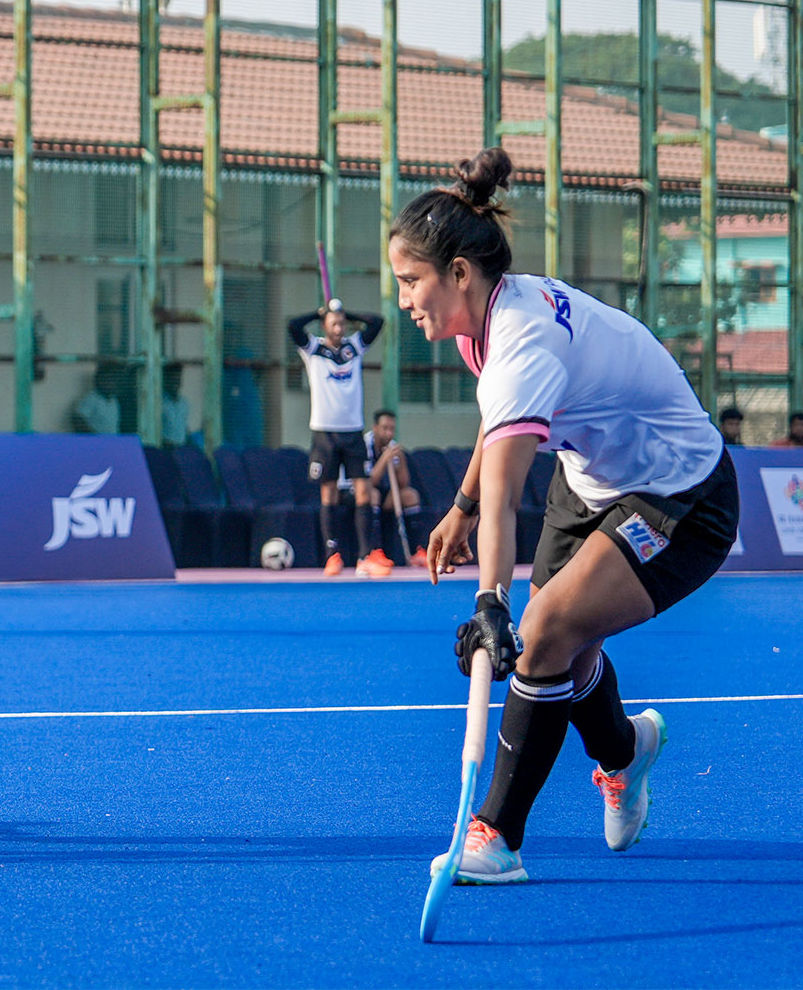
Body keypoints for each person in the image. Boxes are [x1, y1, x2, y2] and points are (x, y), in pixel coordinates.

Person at [391, 147, 738, 884]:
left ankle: (496, 837)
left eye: (410, 281)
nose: (403, 300)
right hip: (591, 480)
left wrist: (492, 603)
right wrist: (460, 504)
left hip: (682, 496)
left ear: (458, 273)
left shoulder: (520, 343)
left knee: (541, 634)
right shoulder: (478, 321)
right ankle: (626, 752)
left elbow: (513, 483)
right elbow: (500, 429)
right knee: (564, 651)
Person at [288, 297, 391, 577]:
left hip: (353, 430)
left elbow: (377, 322)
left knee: (363, 492)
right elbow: (293, 326)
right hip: (325, 432)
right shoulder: (313, 349)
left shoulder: (353, 348)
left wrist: (348, 312)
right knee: (329, 493)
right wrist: (318, 311)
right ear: (324, 326)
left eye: (342, 323)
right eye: (334, 323)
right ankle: (332, 555)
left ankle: (363, 557)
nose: (339, 328)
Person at [363, 409, 430, 568]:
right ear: (375, 428)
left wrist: (401, 462)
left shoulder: (393, 447)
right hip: (359, 492)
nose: (388, 433)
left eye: (392, 429)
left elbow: (403, 483)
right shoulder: (364, 445)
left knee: (410, 496)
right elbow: (368, 482)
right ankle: (374, 552)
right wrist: (383, 460)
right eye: (385, 428)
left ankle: (416, 552)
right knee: (373, 495)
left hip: (383, 492)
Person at [74, 363, 123, 435]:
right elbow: (78, 420)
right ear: (100, 380)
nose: (114, 383)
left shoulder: (114, 401)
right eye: (110, 380)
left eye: (115, 380)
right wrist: (96, 439)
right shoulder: (92, 398)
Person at [161, 362, 191, 447]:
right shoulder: (160, 403)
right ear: (165, 380)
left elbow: (184, 428)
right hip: (165, 449)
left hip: (181, 450)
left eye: (177, 378)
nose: (175, 382)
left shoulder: (184, 403)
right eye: (172, 379)